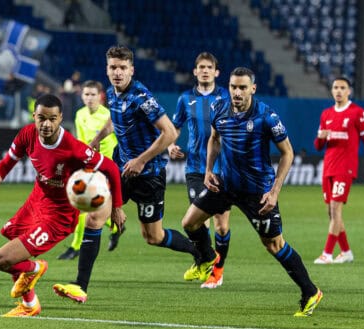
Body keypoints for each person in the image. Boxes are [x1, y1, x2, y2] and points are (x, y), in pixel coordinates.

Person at [53, 45, 205, 303]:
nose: (117, 72)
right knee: (94, 219)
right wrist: (97, 138)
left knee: (153, 237)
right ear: (107, 69)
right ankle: (80, 286)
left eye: (123, 68)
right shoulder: (111, 93)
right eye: (113, 67)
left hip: (149, 175)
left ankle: (199, 252)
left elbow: (170, 132)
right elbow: (114, 119)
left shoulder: (141, 96)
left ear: (131, 70)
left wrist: (141, 160)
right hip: (121, 168)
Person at [181, 67, 322, 317]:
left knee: (274, 245)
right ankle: (206, 260)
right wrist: (208, 171)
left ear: (252, 89)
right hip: (225, 184)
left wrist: (275, 190)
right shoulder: (219, 108)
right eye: (234, 87)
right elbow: (214, 138)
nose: (237, 92)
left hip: (257, 192)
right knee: (190, 222)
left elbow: (288, 153)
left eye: (243, 87)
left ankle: (310, 292)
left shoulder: (266, 115)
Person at [0, 94, 126, 317]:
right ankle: (30, 306)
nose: (46, 124)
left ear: (61, 118)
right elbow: (7, 162)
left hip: (59, 216)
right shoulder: (27, 134)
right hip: (36, 202)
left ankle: (35, 269)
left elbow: (110, 167)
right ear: (34, 116)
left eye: (52, 119)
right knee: (11, 237)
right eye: (41, 118)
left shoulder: (71, 147)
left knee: (2, 260)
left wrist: (117, 207)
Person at [168, 52, 231, 289]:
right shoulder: (185, 99)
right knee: (197, 222)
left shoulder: (226, 96)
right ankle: (203, 261)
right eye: (200, 67)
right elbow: (174, 128)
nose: (205, 70)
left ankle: (218, 270)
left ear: (216, 72)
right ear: (195, 71)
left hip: (223, 168)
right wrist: (172, 144)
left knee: (221, 225)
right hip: (195, 167)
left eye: (209, 67)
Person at [313, 77, 364, 264]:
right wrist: (321, 137)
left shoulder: (358, 113)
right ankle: (346, 251)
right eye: (335, 87)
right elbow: (317, 146)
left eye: (342, 88)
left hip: (345, 167)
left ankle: (327, 253)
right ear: (332, 91)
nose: (338, 91)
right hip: (328, 167)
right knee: (331, 213)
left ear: (349, 91)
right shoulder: (326, 114)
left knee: (335, 209)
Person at [57, 80, 122, 260]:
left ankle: (75, 247)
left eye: (93, 94)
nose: (90, 98)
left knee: (86, 207)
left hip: (108, 167)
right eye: (86, 94)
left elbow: (120, 140)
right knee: (84, 206)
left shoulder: (108, 115)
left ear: (101, 96)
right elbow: (82, 141)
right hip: (89, 165)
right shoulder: (80, 115)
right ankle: (116, 226)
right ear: (82, 96)